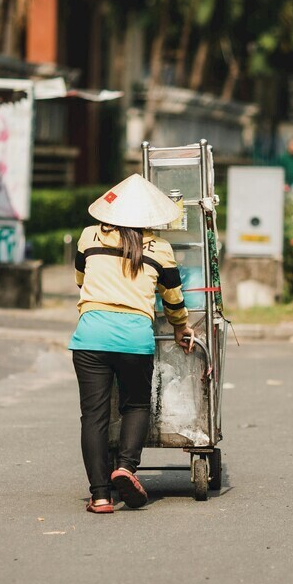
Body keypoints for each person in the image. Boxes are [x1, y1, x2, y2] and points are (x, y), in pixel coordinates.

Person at [69, 174, 195, 514]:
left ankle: (100, 496)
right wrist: (181, 327)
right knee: (136, 405)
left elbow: (81, 279)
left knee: (93, 416)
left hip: (90, 336)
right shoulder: (161, 249)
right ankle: (125, 466)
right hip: (134, 339)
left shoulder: (88, 236)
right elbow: (173, 299)